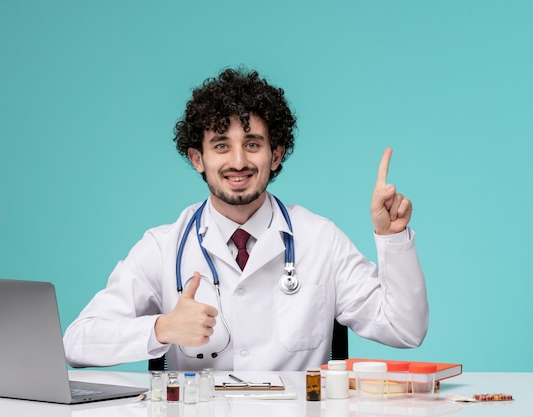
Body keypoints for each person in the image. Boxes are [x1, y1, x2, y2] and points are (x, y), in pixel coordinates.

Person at [63, 68, 428, 371]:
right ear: (197, 159)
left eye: (252, 143)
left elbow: (405, 329)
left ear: (276, 155)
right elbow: (77, 342)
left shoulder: (320, 239)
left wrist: (391, 237)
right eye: (221, 145)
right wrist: (162, 328)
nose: (238, 161)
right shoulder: (163, 247)